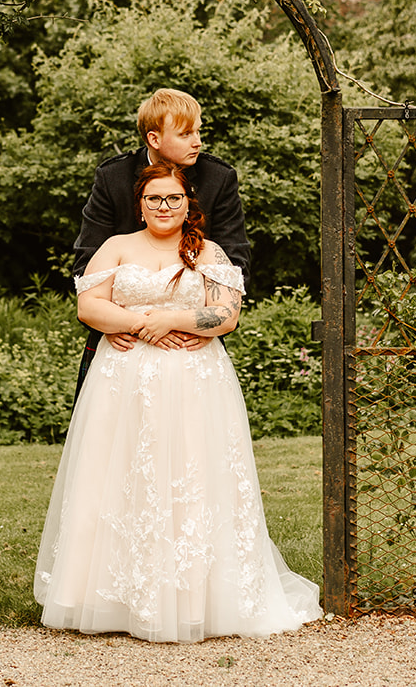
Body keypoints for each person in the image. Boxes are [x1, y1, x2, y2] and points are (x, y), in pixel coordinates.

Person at [34, 161, 321, 642]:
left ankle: (195, 599)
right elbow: (89, 306)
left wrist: (171, 320)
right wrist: (143, 322)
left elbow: (225, 316)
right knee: (118, 475)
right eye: (154, 198)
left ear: (189, 203)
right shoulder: (116, 246)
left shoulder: (208, 251)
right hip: (122, 384)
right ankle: (109, 599)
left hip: (194, 382)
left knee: (191, 474)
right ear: (140, 205)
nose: (163, 206)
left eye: (173, 198)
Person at [71, 89, 250, 396]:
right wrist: (119, 323)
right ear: (154, 139)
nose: (197, 142)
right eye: (186, 134)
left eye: (198, 132)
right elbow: (87, 261)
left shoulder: (218, 178)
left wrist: (198, 324)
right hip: (123, 341)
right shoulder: (113, 177)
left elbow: (235, 260)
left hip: (190, 341)